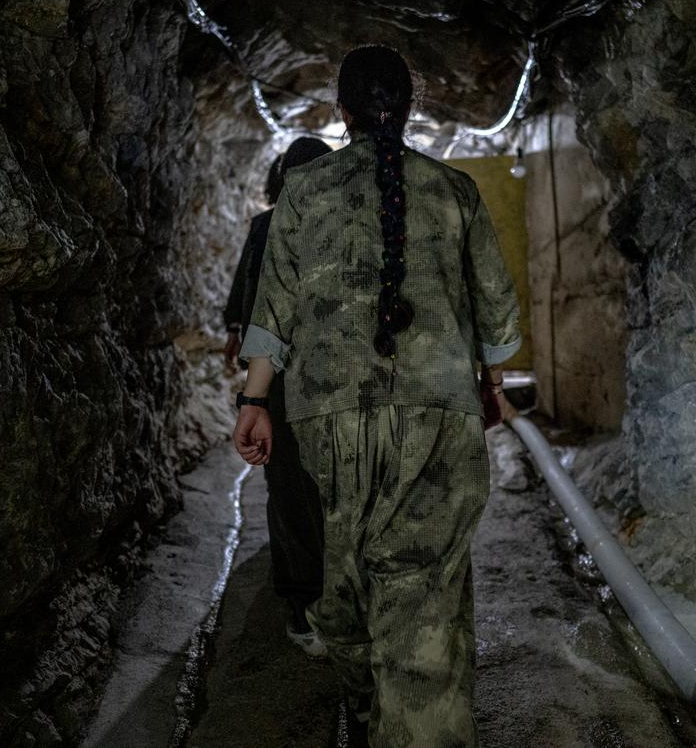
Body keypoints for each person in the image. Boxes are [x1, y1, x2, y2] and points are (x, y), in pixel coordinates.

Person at [233, 44, 521, 747]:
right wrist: (493, 386)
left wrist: (254, 400)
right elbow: (498, 312)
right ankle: (416, 724)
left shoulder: (304, 192)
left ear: (343, 114)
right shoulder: (455, 191)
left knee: (344, 588)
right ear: (411, 109)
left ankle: (365, 719)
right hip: (438, 417)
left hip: (326, 419)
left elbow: (272, 311)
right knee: (423, 597)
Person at [223, 136, 332, 655]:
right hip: (326, 378)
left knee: (290, 491)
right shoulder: (342, 224)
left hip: (284, 380)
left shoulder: (268, 225)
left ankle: (304, 604)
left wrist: (252, 381)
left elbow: (250, 297)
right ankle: (316, 601)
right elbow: (250, 294)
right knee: (314, 489)